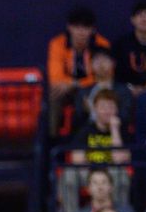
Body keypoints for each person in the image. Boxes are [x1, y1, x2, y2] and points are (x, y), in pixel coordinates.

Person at [62, 91, 131, 212]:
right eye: (103, 107)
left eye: (111, 107)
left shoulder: (122, 131)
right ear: (95, 109)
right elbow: (77, 159)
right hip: (89, 173)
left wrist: (114, 130)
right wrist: (96, 173)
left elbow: (119, 159)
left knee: (120, 174)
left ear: (116, 110)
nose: (107, 111)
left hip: (111, 174)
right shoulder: (85, 130)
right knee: (68, 175)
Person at [47, 7, 110, 136]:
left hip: (94, 88)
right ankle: (52, 140)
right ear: (69, 27)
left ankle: (96, 137)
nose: (81, 32)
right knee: (54, 96)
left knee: (92, 96)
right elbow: (55, 78)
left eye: (85, 27)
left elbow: (103, 75)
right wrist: (72, 85)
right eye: (76, 27)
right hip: (66, 90)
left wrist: (76, 84)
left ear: (92, 29)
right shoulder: (57, 44)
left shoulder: (102, 44)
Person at [73, 48, 132, 132]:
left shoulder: (123, 91)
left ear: (113, 63)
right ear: (90, 65)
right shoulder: (83, 92)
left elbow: (125, 117)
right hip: (89, 134)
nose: (101, 64)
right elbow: (77, 121)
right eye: (96, 60)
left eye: (105, 60)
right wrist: (86, 111)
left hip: (116, 133)